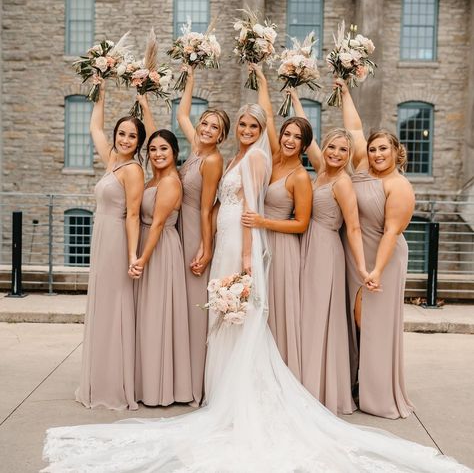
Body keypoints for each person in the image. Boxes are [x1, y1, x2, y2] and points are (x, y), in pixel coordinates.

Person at [43, 102, 470, 473]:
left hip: (240, 242)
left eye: (252, 126)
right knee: (223, 316)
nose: (249, 132)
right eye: (244, 126)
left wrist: (248, 257)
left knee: (238, 314)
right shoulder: (232, 159)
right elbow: (197, 179)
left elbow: (252, 208)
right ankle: (223, 387)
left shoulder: (261, 163)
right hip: (226, 237)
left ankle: (237, 391)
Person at [139, 68, 230, 405]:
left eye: (213, 127)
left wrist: (205, 248)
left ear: (221, 136)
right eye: (204, 123)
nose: (206, 129)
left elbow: (208, 208)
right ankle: (176, 372)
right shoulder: (194, 148)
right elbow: (179, 113)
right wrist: (190, 75)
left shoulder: (213, 161)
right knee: (180, 302)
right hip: (179, 226)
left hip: (195, 229)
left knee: (194, 306)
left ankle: (194, 383)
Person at [338, 79, 416, 419]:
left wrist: (376, 271)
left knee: (372, 321)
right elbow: (354, 127)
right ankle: (355, 380)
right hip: (355, 251)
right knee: (354, 319)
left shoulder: (399, 186)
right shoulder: (361, 168)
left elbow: (392, 233)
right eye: (373, 149)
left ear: (396, 152)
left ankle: (374, 390)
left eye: (383, 149)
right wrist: (344, 90)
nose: (376, 154)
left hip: (383, 256)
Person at [288, 89, 367, 415]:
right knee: (305, 314)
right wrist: (294, 96)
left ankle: (320, 389)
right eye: (332, 147)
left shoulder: (343, 183)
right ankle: (302, 381)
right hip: (307, 246)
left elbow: (354, 228)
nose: (334, 153)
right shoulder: (321, 170)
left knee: (319, 316)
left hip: (325, 252)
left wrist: (362, 269)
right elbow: (308, 134)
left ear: (350, 155)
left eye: (342, 149)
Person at [75, 77, 145, 411]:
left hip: (117, 241)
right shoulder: (112, 160)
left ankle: (114, 383)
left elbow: (133, 214)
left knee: (115, 308)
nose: (126, 139)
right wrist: (100, 93)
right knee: (101, 307)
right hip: (101, 238)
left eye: (133, 136)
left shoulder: (133, 170)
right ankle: (98, 376)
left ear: (139, 142)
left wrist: (132, 255)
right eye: (123, 134)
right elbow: (95, 129)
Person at [241, 66, 312, 379]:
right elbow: (267, 114)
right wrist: (264, 80)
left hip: (283, 248)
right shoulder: (271, 156)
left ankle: (283, 374)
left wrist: (263, 222)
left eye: (298, 137)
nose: (290, 140)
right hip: (261, 240)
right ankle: (258, 373)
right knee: (260, 310)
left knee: (278, 311)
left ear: (305, 145)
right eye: (288, 134)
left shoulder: (301, 178)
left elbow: (301, 224)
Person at [131, 129, 193, 407]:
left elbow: (157, 223)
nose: (157, 154)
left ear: (175, 153)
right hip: (148, 243)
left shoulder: (169, 182)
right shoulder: (151, 180)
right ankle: (146, 382)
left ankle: (160, 388)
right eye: (153, 149)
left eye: (163, 149)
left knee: (157, 314)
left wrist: (142, 259)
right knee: (146, 315)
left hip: (160, 249)